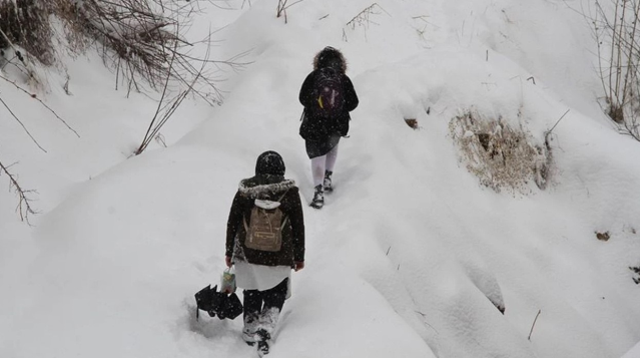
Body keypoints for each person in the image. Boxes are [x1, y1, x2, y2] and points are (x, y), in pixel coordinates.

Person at [225, 151, 305, 356]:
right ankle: (266, 325)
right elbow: (298, 226)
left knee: (252, 288)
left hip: (247, 251)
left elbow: (233, 221)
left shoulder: (246, 191)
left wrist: (229, 251)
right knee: (276, 290)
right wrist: (299, 256)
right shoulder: (290, 193)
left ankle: (250, 325)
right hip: (279, 254)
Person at [299, 46, 359, 209]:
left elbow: (302, 98)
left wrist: (316, 106)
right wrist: (338, 108)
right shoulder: (343, 79)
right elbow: (354, 103)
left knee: (317, 154)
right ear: (341, 63)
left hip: (314, 124)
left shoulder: (313, 77)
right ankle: (328, 177)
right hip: (336, 124)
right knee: (331, 146)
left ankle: (318, 191)